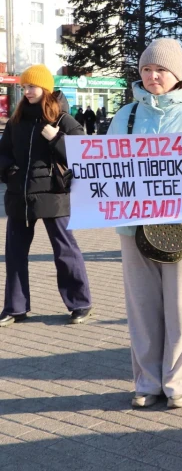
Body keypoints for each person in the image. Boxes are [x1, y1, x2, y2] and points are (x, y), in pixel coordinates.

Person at [108, 38, 182, 410]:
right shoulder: (126, 115)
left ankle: (178, 382)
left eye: (159, 69)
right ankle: (146, 382)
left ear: (176, 74)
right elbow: (108, 163)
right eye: (146, 69)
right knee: (142, 309)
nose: (151, 76)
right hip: (134, 226)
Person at [0, 65, 94, 328]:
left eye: (32, 86)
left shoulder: (62, 119)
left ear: (46, 88)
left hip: (54, 194)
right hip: (20, 195)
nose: (27, 91)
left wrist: (57, 139)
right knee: (15, 254)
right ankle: (15, 307)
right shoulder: (16, 121)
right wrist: (7, 169)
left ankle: (80, 304)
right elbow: (3, 151)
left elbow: (84, 154)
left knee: (65, 252)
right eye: (24, 87)